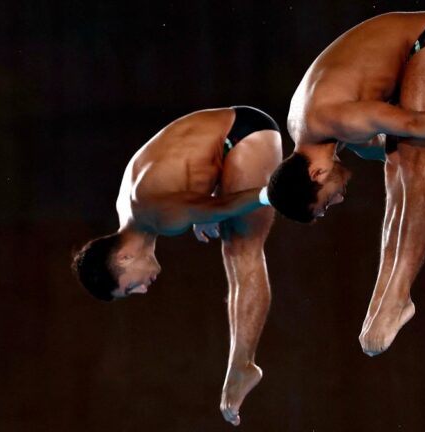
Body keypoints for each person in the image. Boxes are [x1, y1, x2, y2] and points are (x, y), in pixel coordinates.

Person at [266, 11, 425, 356]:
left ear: (316, 175)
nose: (339, 200)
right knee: (397, 161)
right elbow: (381, 148)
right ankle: (384, 294)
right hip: (408, 52)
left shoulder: (338, 120)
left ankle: (398, 296)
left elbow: (415, 123)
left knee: (417, 160)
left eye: (327, 202)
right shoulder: (309, 130)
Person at [72, 106, 282, 426]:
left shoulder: (161, 218)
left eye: (131, 287)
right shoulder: (129, 209)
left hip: (244, 134)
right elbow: (178, 171)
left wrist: (272, 193)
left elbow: (224, 205)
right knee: (225, 232)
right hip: (226, 138)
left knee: (241, 249)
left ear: (124, 258)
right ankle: (240, 365)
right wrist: (203, 207)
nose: (143, 289)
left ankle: (244, 365)